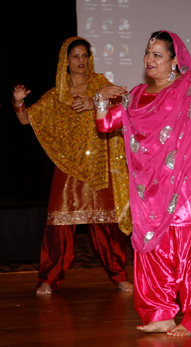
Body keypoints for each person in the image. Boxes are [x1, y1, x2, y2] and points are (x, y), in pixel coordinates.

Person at [95, 30, 191, 337]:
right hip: (152, 191)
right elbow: (106, 125)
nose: (150, 60)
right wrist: (100, 100)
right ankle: (160, 313)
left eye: (158, 55)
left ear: (175, 61)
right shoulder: (135, 95)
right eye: (148, 53)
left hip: (189, 188)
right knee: (155, 250)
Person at [12, 37, 133, 295]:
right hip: (67, 166)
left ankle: (119, 275)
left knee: (105, 224)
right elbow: (26, 120)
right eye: (76, 56)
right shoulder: (58, 94)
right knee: (59, 225)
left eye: (84, 56)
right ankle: (49, 277)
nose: (81, 61)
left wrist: (94, 102)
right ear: (65, 61)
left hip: (98, 165)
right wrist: (18, 101)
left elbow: (125, 105)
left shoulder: (100, 85)